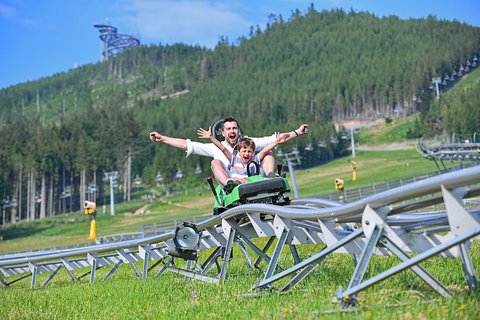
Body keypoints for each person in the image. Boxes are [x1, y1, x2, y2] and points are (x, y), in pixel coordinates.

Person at [150, 117, 308, 186]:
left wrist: (297, 132)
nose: (232, 131)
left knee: (268, 153)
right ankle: (229, 185)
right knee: (215, 162)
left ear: (238, 131)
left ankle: (269, 178)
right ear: (223, 133)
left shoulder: (248, 144)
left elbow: (273, 139)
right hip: (234, 180)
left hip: (254, 177)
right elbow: (187, 145)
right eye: (228, 129)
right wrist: (163, 138)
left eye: (234, 128)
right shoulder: (217, 147)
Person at [198, 127, 290, 188]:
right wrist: (211, 138)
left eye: (249, 151)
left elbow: (265, 150)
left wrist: (276, 141)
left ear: (253, 152)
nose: (247, 154)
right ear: (239, 152)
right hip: (239, 184)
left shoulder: (255, 159)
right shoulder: (234, 159)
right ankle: (230, 186)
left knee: (268, 153)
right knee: (234, 180)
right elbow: (222, 148)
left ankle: (271, 176)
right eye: (244, 151)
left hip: (253, 182)